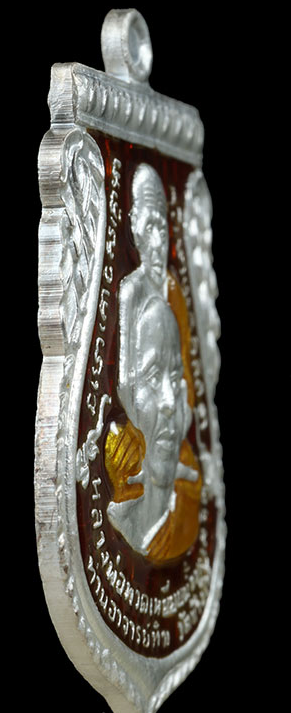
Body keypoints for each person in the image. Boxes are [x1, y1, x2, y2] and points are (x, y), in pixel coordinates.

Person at [106, 164, 201, 562]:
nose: (159, 241)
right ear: (137, 232)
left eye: (163, 229)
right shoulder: (131, 292)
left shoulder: (172, 293)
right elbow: (127, 380)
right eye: (150, 228)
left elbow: (182, 389)